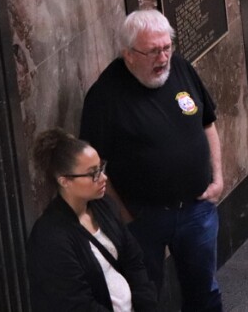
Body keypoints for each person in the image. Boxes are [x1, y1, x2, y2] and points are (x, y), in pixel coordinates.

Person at [80, 8, 224, 311]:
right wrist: (124, 216)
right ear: (129, 54)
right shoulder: (105, 96)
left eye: (167, 48)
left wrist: (218, 178)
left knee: (205, 291)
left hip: (197, 209)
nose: (163, 59)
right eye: (153, 51)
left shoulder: (181, 69)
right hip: (144, 219)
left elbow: (207, 123)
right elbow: (93, 166)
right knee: (145, 296)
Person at [26, 128, 158, 311]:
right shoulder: (50, 237)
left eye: (101, 167)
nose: (103, 178)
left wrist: (146, 304)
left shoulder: (104, 206)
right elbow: (75, 302)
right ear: (64, 181)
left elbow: (133, 259)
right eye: (93, 173)